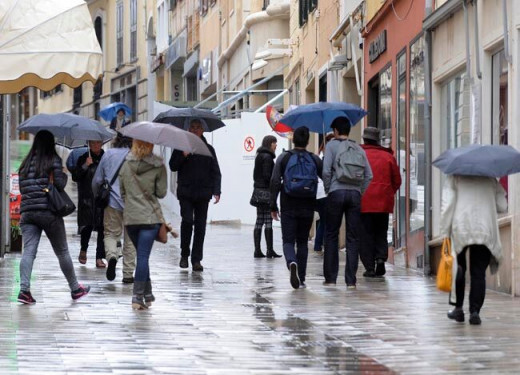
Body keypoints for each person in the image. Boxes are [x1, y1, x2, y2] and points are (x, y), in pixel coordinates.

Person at [17, 130, 90, 304]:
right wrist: (63, 172)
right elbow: (59, 184)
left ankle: (24, 291)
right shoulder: (53, 161)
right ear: (51, 144)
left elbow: (22, 189)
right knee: (62, 252)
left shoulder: (25, 164)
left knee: (28, 251)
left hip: (27, 213)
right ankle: (75, 288)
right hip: (48, 212)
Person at [441, 175, 507, 325]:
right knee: (478, 272)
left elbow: (447, 205)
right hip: (484, 230)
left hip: (461, 228)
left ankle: (458, 309)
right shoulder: (490, 179)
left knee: (459, 268)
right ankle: (475, 311)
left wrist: (444, 231)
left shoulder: (455, 177)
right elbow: (502, 206)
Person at [322, 117, 373, 289]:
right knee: (353, 238)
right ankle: (351, 281)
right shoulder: (357, 147)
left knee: (331, 234)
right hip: (354, 195)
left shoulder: (331, 146)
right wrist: (359, 190)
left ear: (335, 131)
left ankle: (330, 278)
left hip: (336, 193)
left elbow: (326, 171)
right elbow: (369, 175)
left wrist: (329, 189)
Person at [270, 126, 323, 289]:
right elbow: (326, 179)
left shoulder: (284, 158)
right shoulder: (314, 159)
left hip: (288, 204)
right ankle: (302, 277)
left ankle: (291, 262)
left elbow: (274, 181)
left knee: (288, 240)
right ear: (308, 141)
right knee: (302, 241)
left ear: (293, 139)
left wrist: (273, 205)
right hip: (307, 205)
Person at [119, 139, 168, 310]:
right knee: (143, 257)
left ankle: (147, 294)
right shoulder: (158, 165)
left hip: (131, 219)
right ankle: (137, 296)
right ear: (151, 145)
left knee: (141, 255)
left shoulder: (126, 164)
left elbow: (122, 191)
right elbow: (161, 193)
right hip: (149, 219)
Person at [169, 119, 222, 271]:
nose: (195, 130)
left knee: (200, 227)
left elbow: (215, 172)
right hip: (186, 192)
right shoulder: (181, 147)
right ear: (188, 130)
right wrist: (183, 155)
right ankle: (184, 254)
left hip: (203, 193)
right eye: (192, 127)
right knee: (187, 221)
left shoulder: (209, 149)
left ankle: (196, 259)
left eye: (198, 128)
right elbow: (173, 166)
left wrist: (217, 191)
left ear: (202, 130)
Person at [92, 135, 136, 283]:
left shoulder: (109, 154)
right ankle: (128, 274)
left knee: (111, 234)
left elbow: (97, 180)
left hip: (112, 202)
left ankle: (111, 256)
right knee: (131, 239)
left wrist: (96, 194)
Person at [359, 127, 401, 277]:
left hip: (363, 200)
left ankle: (369, 267)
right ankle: (380, 258)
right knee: (381, 232)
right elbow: (397, 180)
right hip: (383, 201)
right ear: (378, 140)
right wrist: (388, 192)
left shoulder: (360, 154)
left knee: (366, 233)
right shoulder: (388, 157)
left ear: (364, 139)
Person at [72, 140, 106, 268]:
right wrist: (85, 165)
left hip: (101, 197)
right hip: (86, 198)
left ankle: (99, 257)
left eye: (98, 143)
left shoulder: (105, 158)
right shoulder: (83, 158)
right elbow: (75, 176)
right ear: (89, 144)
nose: (95, 146)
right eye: (92, 143)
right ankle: (83, 250)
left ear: (101, 144)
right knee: (87, 226)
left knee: (102, 227)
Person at [252, 135, 281, 258]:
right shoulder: (268, 157)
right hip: (266, 191)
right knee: (268, 221)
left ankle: (257, 250)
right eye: (275, 143)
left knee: (259, 220)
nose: (276, 145)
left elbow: (255, 175)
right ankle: (270, 250)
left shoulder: (259, 155)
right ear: (270, 143)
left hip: (258, 191)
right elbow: (268, 176)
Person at [314, 133, 334, 253]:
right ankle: (321, 244)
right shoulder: (324, 157)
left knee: (324, 219)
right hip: (324, 193)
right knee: (325, 219)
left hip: (321, 193)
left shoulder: (320, 155)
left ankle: (319, 244)